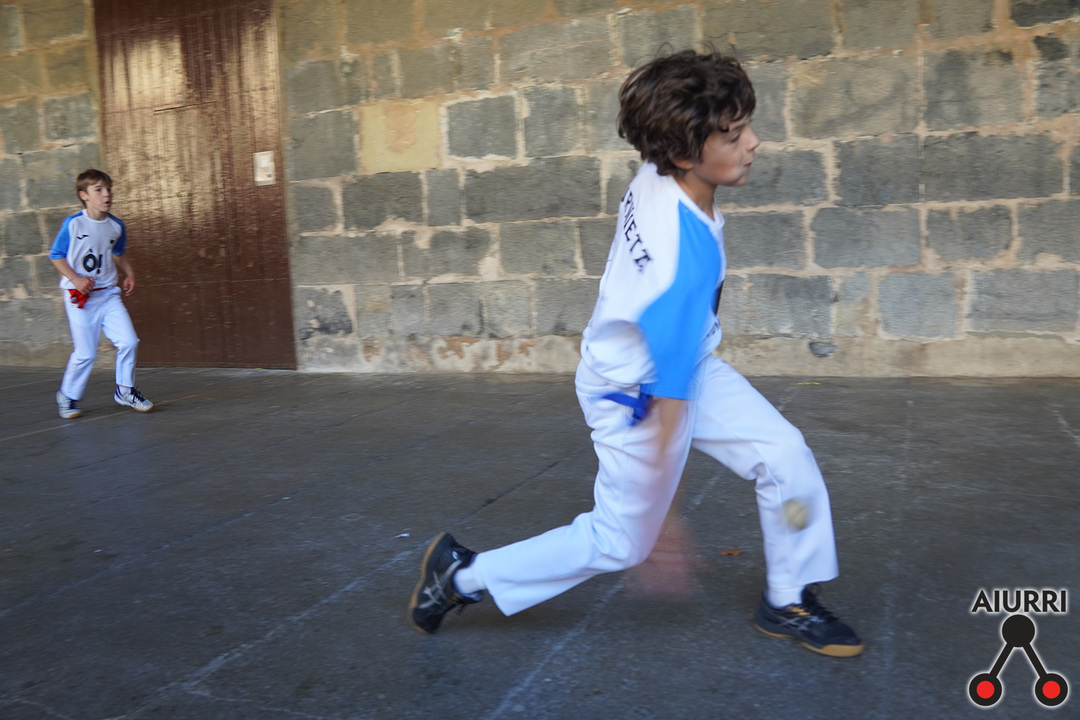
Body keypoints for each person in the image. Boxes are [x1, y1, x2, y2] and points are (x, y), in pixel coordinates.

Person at [408, 50, 863, 657]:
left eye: (746, 125)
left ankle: (789, 598)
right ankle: (461, 576)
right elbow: (670, 394)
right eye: (732, 135)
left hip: (681, 362)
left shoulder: (658, 169)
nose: (753, 142)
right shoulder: (684, 259)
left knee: (784, 455)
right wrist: (668, 517)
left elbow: (678, 354)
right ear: (684, 153)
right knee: (622, 543)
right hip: (636, 394)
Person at [50, 168, 153, 418]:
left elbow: (118, 253)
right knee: (86, 353)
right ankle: (67, 396)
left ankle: (125, 390)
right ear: (83, 195)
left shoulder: (116, 225)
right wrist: (75, 279)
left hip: (108, 294)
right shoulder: (73, 224)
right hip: (80, 298)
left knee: (129, 341)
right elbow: (56, 256)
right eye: (99, 190)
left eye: (108, 189)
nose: (107, 194)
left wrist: (129, 274)